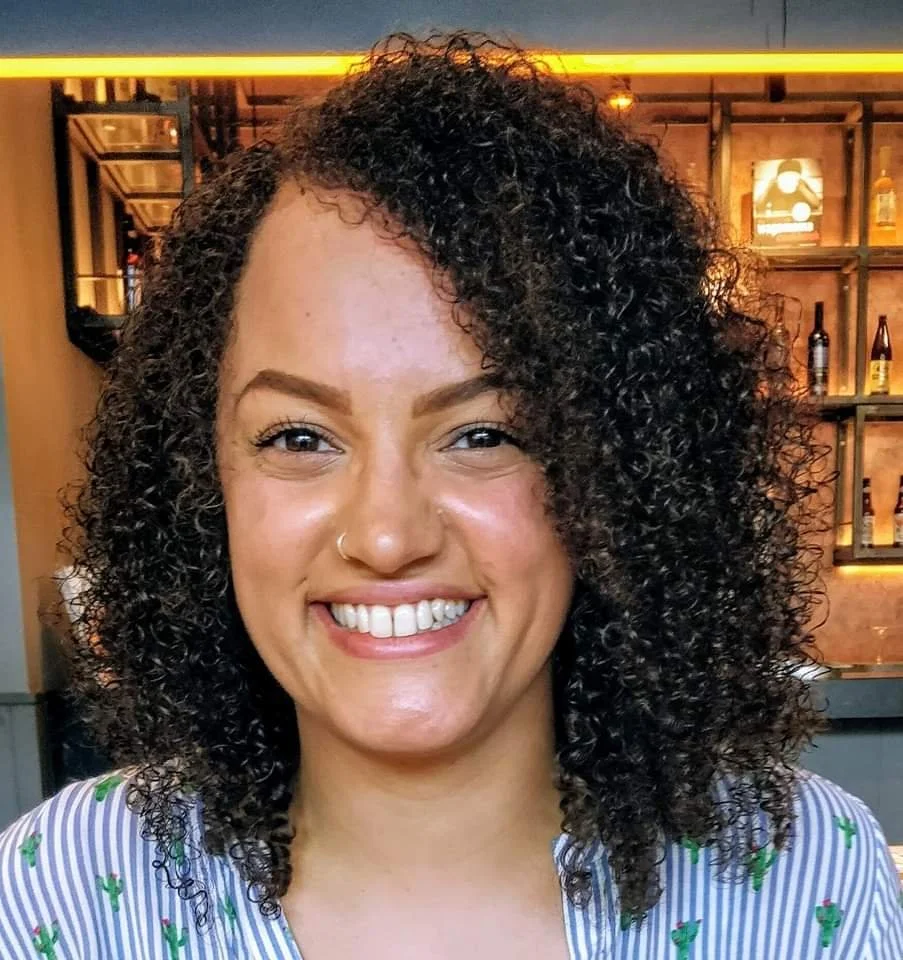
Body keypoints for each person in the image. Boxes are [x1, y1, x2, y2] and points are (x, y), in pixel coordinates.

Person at [1, 31, 901, 960]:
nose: (387, 535)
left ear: (614, 478)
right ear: (202, 482)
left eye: (483, 434)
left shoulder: (807, 876)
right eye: (299, 437)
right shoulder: (58, 901)